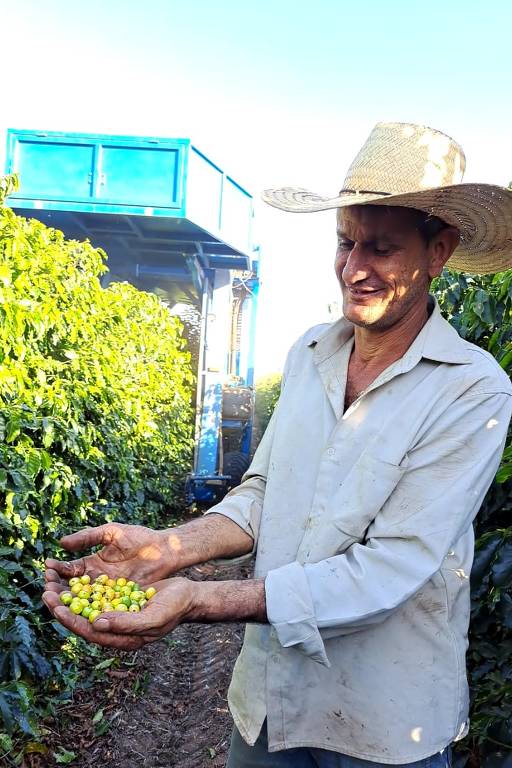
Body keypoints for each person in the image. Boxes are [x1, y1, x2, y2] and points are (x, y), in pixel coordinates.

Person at [44, 122, 512, 767]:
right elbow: (266, 491)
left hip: (384, 717)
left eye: (380, 248)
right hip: (270, 704)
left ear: (439, 251)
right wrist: (169, 549)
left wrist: (199, 599)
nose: (354, 268)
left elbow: (392, 567)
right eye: (345, 243)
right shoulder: (310, 353)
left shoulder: (473, 392)